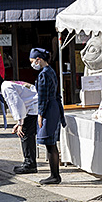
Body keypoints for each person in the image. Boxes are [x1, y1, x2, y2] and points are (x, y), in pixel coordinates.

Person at [0, 70, 38, 174]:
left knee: (25, 134)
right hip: (31, 107)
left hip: (33, 107)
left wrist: (20, 123)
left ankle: (29, 164)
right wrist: (19, 122)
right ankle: (29, 163)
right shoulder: (6, 85)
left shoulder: (6, 87)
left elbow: (17, 105)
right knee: (26, 135)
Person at [30, 48, 66, 185]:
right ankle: (54, 175)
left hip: (49, 109)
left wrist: (40, 114)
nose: (32, 64)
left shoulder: (43, 74)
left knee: (49, 143)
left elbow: (43, 97)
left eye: (33, 61)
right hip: (54, 107)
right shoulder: (51, 70)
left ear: (38, 59)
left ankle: (54, 175)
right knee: (51, 143)